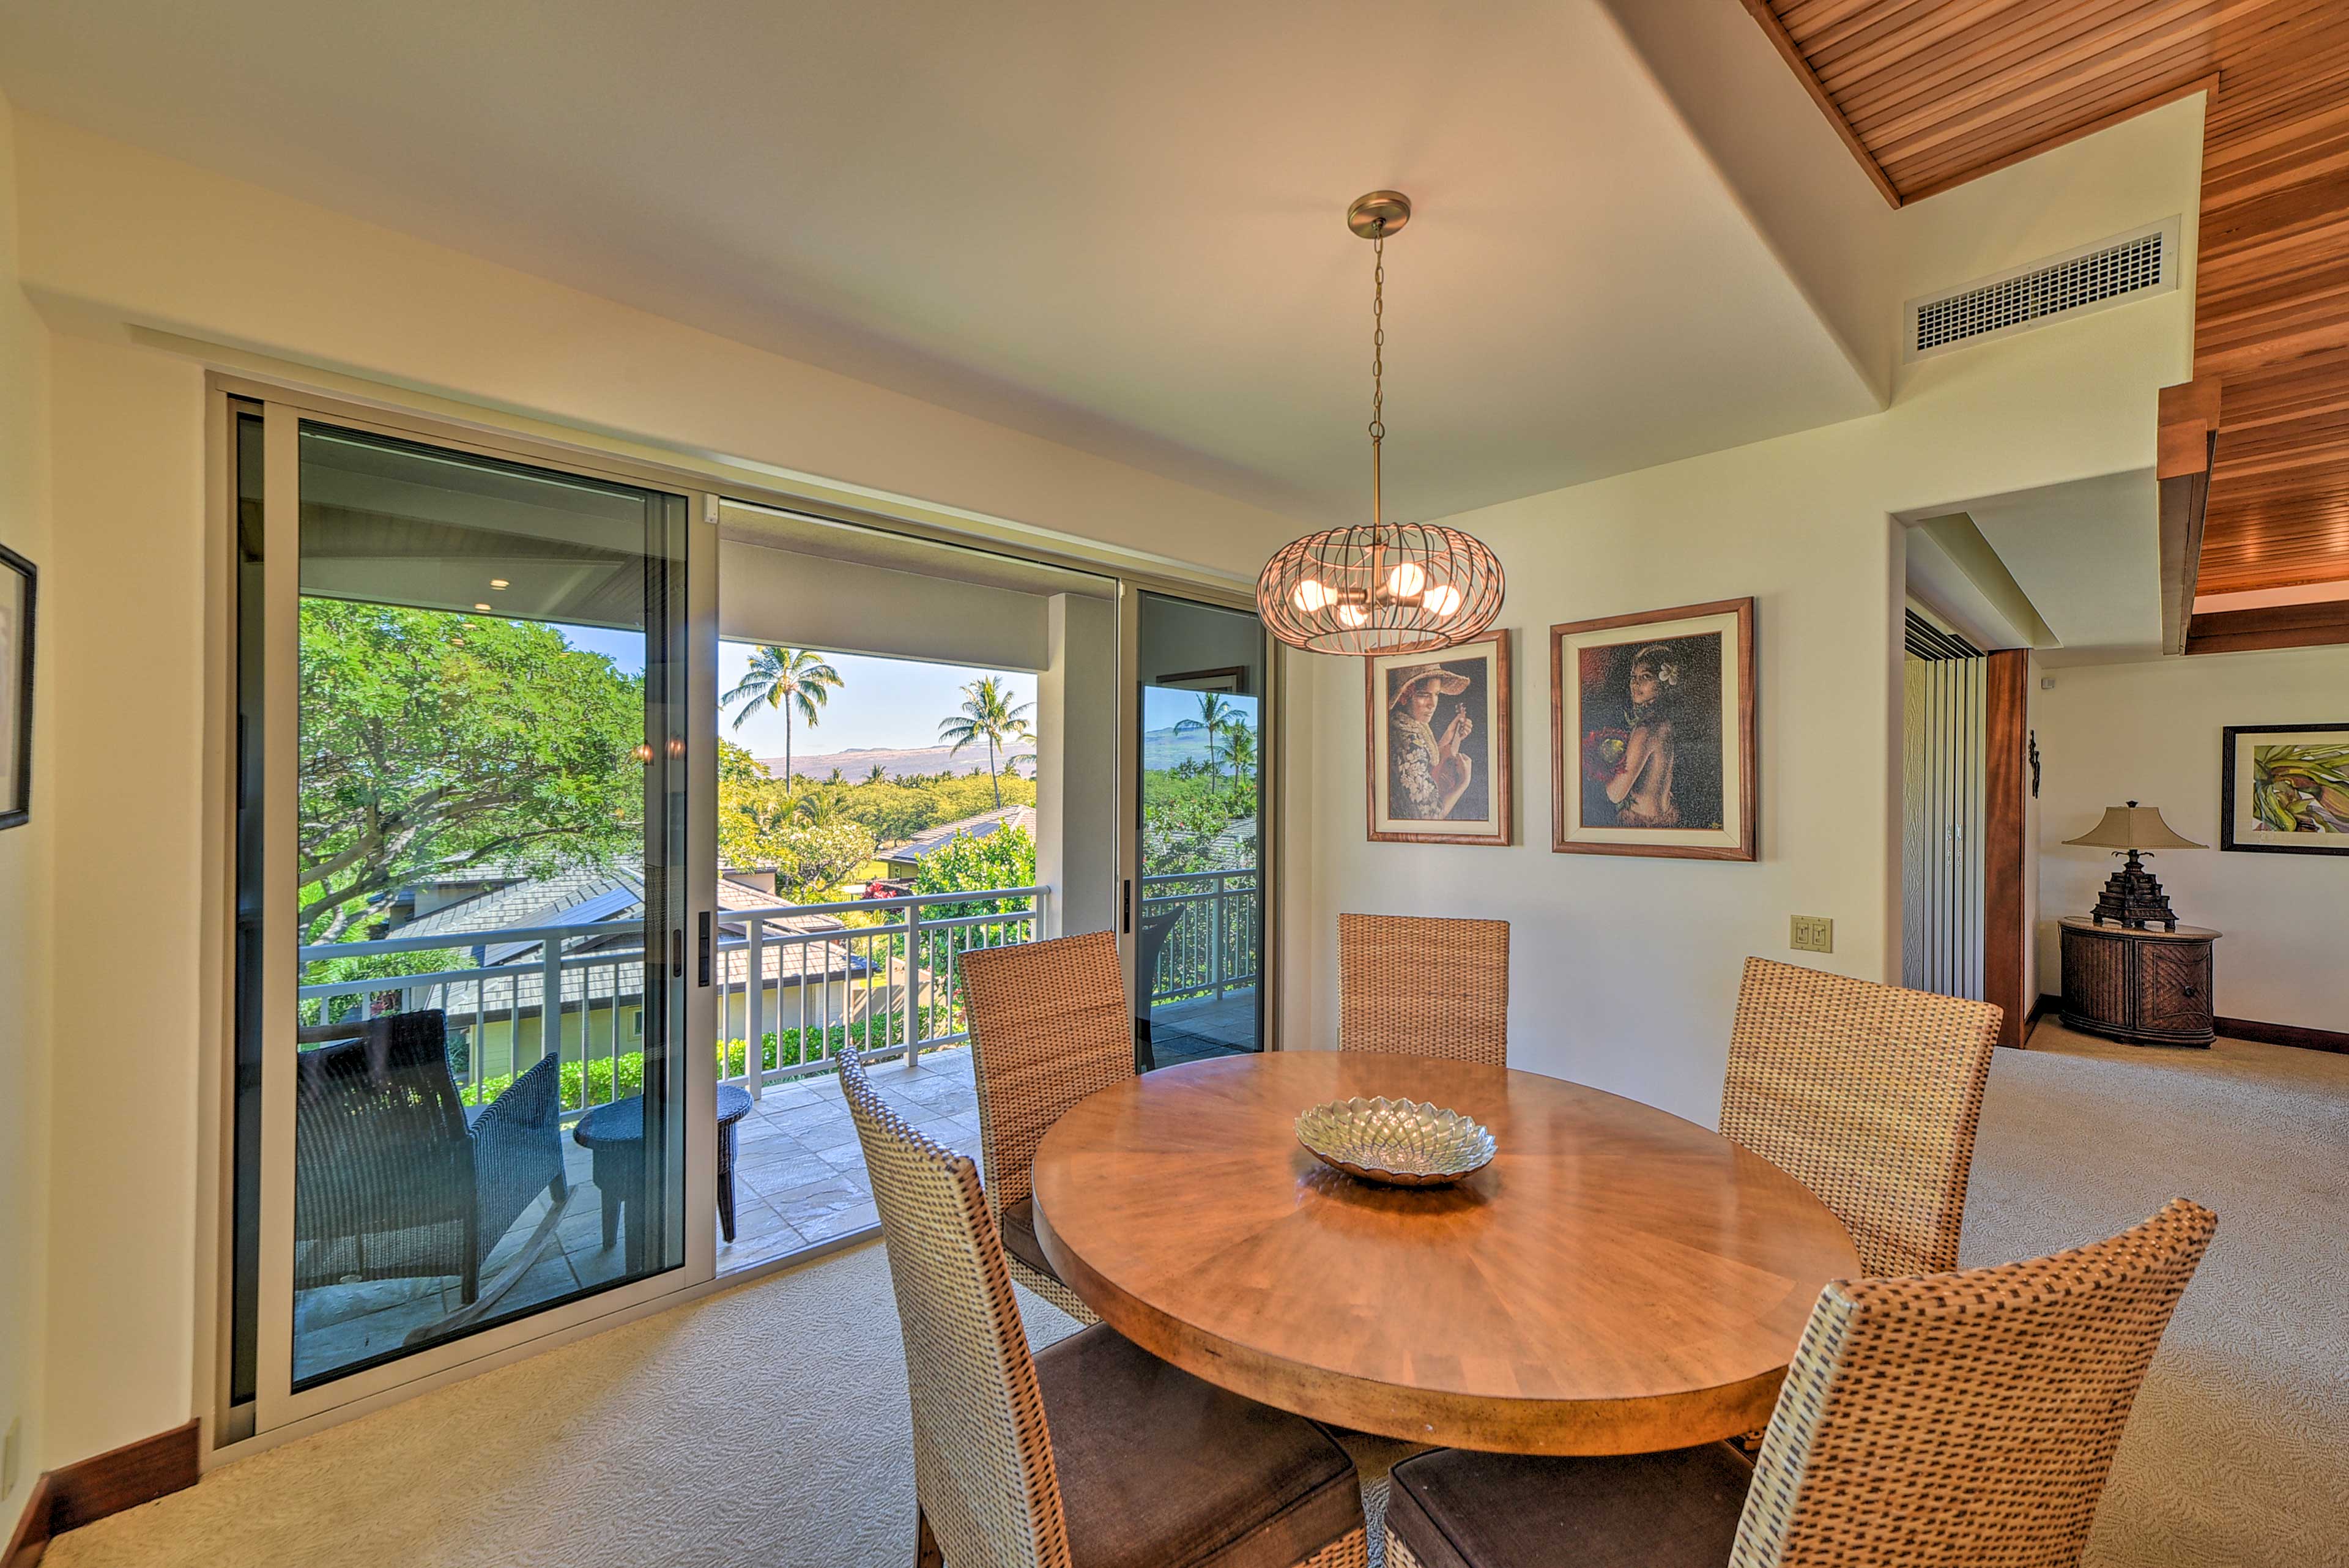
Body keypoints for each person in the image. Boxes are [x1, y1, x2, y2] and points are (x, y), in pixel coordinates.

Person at [1603, 644, 1680, 827]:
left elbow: (1615, 795)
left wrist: (1604, 767)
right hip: (1665, 815)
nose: (1636, 684)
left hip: (1641, 823)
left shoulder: (1646, 729)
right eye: (1633, 677)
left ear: (1662, 683)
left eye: (1646, 677)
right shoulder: (1665, 722)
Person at [1387, 663, 1475, 819]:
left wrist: (1450, 736)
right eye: (1424, 695)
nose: (1433, 704)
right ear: (1405, 697)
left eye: (1437, 694)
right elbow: (1430, 816)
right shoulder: (1409, 744)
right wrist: (1464, 783)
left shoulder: (1403, 724)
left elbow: (1425, 761)